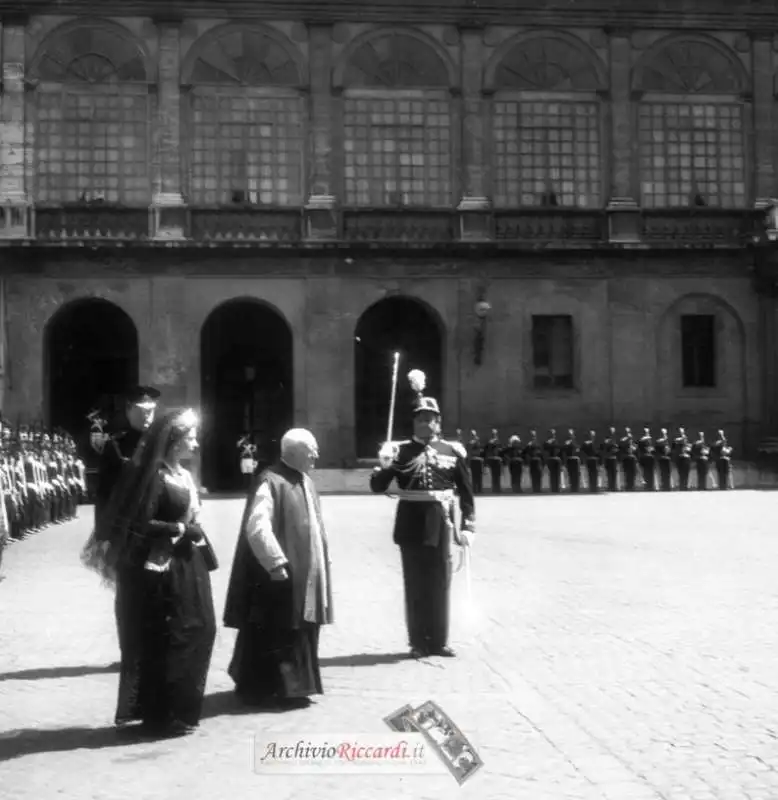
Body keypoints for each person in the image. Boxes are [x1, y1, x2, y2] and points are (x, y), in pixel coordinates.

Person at [96, 408, 217, 737]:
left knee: (201, 628)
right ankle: (160, 713)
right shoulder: (154, 476)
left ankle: (181, 707)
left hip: (188, 563)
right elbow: (139, 523)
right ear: (174, 441)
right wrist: (179, 527)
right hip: (161, 568)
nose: (195, 442)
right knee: (170, 635)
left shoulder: (183, 474)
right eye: (190, 437)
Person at [224, 428, 333, 709]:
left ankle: (293, 687)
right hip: (281, 573)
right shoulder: (270, 481)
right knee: (278, 627)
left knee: (296, 627)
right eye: (312, 451)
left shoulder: (304, 480)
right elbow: (257, 527)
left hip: (305, 572)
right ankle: (279, 688)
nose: (316, 456)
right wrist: (275, 561)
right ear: (295, 452)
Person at [369, 370, 475, 659]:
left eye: (431, 418)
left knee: (440, 582)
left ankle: (438, 641)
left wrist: (468, 527)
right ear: (413, 422)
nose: (426, 423)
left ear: (438, 422)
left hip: (441, 522)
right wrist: (385, 464)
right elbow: (377, 487)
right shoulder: (400, 451)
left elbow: (466, 492)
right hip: (412, 522)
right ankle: (417, 641)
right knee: (415, 583)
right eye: (420, 418)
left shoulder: (453, 451)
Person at [94, 386, 160, 527]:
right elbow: (104, 493)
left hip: (155, 521)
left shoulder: (158, 444)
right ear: (129, 409)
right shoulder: (115, 445)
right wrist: (102, 530)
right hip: (125, 522)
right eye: (142, 411)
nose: (147, 416)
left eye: (151, 411)